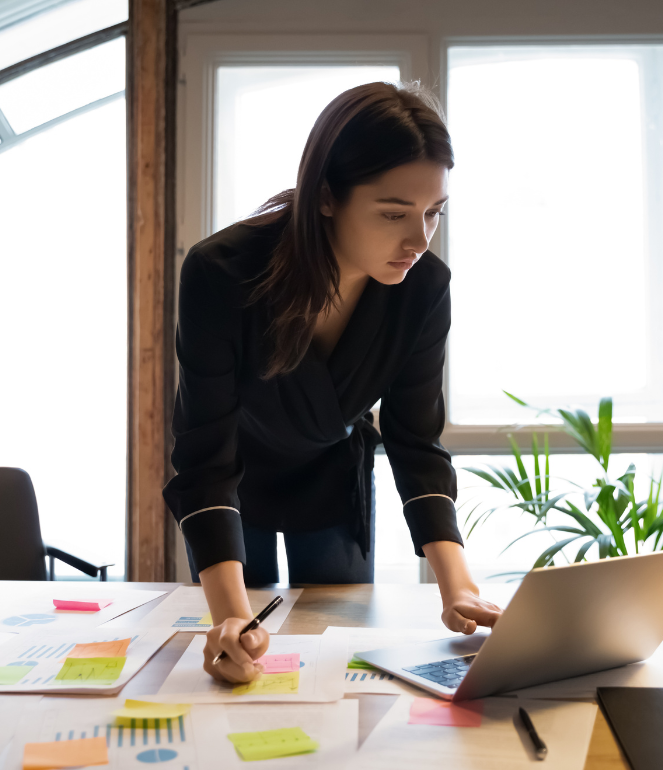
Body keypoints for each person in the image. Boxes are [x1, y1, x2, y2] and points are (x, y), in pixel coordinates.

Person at [163, 81, 502, 685]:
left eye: (434, 212)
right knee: (244, 648)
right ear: (325, 197)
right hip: (233, 480)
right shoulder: (222, 272)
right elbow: (204, 457)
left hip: (332, 474)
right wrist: (231, 628)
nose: (419, 240)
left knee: (336, 655)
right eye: (394, 213)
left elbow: (415, 440)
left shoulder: (424, 289)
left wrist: (459, 588)